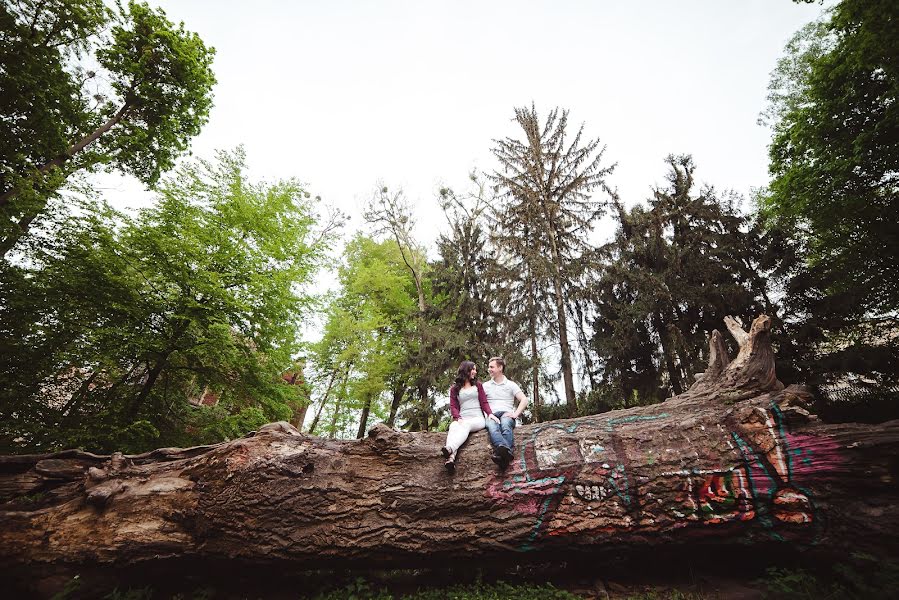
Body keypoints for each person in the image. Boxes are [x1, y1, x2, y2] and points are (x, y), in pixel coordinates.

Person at [441, 360, 493, 471]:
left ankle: (451, 448)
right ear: (466, 370)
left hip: (477, 419)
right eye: (473, 369)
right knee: (453, 426)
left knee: (466, 425)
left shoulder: (478, 386)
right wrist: (458, 417)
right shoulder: (454, 389)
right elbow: (453, 406)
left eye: (475, 370)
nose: (475, 372)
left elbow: (484, 402)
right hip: (462, 418)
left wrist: (490, 414)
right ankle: (451, 459)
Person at [483, 356, 529, 469]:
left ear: (500, 368)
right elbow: (481, 403)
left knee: (505, 424)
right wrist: (488, 415)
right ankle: (506, 451)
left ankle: (500, 454)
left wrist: (515, 414)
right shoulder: (485, 386)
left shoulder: (511, 385)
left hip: (506, 414)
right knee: (492, 427)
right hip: (492, 415)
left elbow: (524, 399)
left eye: (491, 367)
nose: (489, 369)